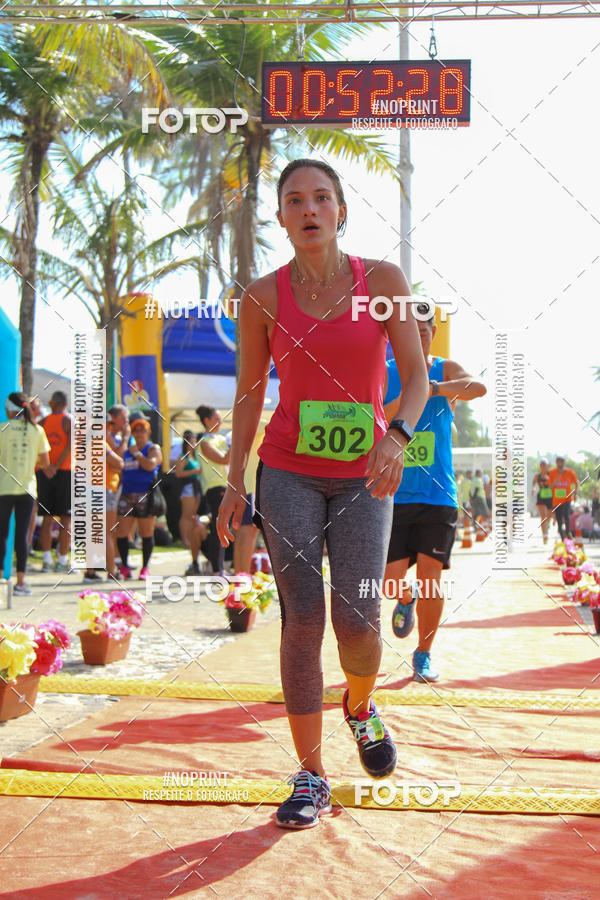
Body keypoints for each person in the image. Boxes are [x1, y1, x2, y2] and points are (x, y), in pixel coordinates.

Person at [216, 158, 429, 829]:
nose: (309, 210)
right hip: (287, 471)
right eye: (295, 201)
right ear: (280, 218)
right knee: (303, 619)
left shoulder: (384, 282)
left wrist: (395, 436)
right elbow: (250, 395)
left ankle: (361, 708)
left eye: (322, 198)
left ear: (341, 211)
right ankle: (311, 775)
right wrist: (233, 479)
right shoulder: (262, 296)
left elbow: (418, 380)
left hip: (366, 476)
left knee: (358, 623)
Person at [383, 303, 486, 682]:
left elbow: (479, 387)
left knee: (430, 575)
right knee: (390, 580)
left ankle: (423, 653)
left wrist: (435, 388)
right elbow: (377, 417)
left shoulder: (444, 368)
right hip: (392, 492)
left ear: (431, 334)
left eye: (425, 329)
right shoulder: (386, 371)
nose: (419, 334)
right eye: (411, 329)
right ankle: (404, 599)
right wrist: (413, 395)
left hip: (438, 495)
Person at [0, 392, 50, 594]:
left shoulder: (3, 429)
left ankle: (2, 578)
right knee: (22, 535)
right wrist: (29, 463)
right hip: (27, 488)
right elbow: (45, 463)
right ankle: (21, 581)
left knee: (1, 534)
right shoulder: (37, 430)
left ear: (10, 409)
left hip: (3, 488)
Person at [115, 418, 162, 580]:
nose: (139, 434)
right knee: (122, 531)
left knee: (146, 532)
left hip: (146, 494)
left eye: (142, 430)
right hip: (127, 493)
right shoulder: (127, 451)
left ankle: (145, 568)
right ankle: (124, 565)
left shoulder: (152, 448)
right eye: (136, 431)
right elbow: (120, 469)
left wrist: (136, 453)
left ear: (148, 432)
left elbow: (150, 465)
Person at [37, 391, 72, 572]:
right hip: (60, 471)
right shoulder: (58, 420)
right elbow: (70, 445)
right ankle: (60, 560)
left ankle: (50, 560)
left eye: (50, 400)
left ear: (56, 402)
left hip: (52, 472)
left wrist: (48, 467)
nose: (48, 403)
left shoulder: (47, 421)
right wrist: (53, 467)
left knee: (49, 518)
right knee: (64, 518)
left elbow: (69, 445)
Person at [196, 405, 229, 575]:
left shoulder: (221, 439)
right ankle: (217, 569)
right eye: (216, 418)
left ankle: (222, 566)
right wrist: (237, 444)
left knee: (227, 528)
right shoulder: (204, 442)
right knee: (218, 529)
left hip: (228, 487)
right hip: (215, 488)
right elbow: (224, 459)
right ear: (207, 420)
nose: (220, 422)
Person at [175, 430, 203, 550]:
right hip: (188, 487)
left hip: (196, 486)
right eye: (191, 441)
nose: (194, 444)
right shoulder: (183, 457)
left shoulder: (195, 457)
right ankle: (184, 539)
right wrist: (194, 471)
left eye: (194, 441)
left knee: (192, 515)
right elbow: (179, 473)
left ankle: (191, 538)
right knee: (186, 515)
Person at [548, 455, 578, 540]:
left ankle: (568, 532)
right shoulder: (552, 472)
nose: (560, 464)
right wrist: (555, 481)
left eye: (562, 462)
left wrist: (575, 494)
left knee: (566, 516)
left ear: (564, 463)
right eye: (558, 462)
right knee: (559, 520)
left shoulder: (570, 472)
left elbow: (576, 482)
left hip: (567, 499)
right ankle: (562, 538)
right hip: (557, 501)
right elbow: (550, 487)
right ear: (556, 463)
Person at [531, 458, 553, 543]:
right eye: (541, 464)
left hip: (550, 497)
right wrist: (533, 489)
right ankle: (545, 535)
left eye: (544, 464)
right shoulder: (537, 476)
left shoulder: (551, 475)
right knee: (543, 516)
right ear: (540, 466)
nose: (543, 466)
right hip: (541, 497)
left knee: (548, 517)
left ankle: (547, 526)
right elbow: (533, 483)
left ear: (547, 465)